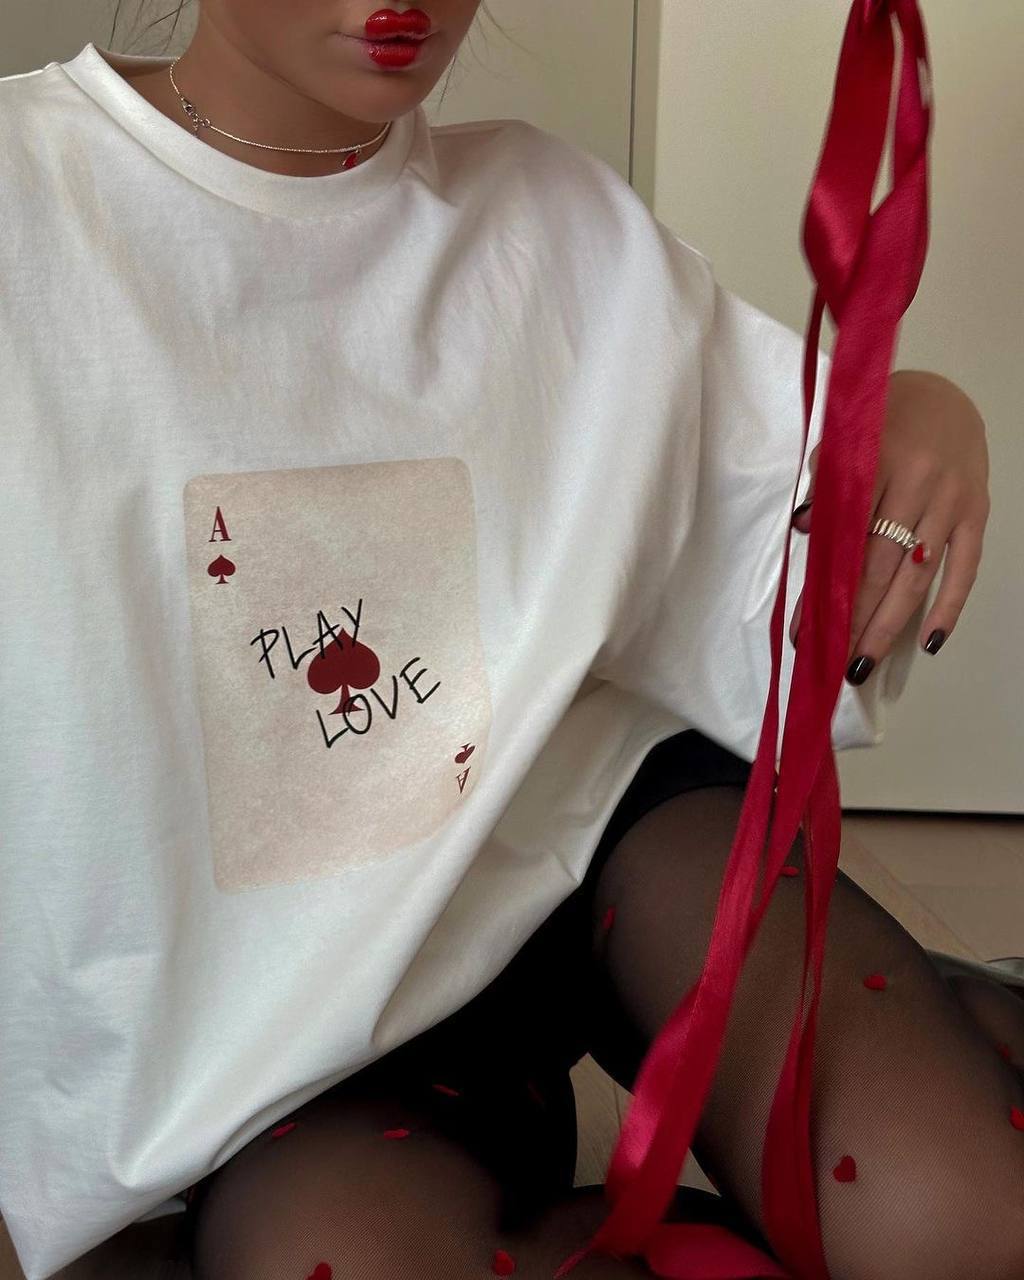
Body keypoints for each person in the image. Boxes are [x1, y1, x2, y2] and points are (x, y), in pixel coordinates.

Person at [0, 2, 1019, 1278]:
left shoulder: (556, 221)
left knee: (954, 1219)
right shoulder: (29, 191)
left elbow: (779, 533)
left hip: (598, 841)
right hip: (279, 1000)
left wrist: (920, 407)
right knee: (342, 1253)